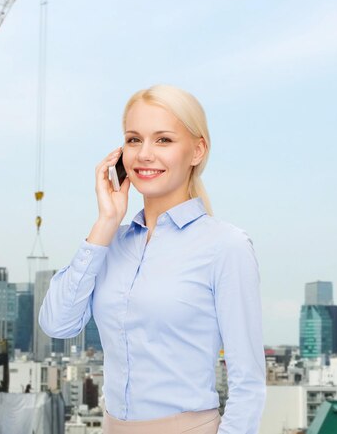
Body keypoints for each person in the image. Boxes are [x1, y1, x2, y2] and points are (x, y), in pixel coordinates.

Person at [39, 85, 265, 434]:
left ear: (197, 150)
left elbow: (248, 383)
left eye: (163, 140)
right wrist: (105, 222)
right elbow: (57, 323)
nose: (144, 154)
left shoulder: (225, 246)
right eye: (133, 139)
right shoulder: (110, 243)